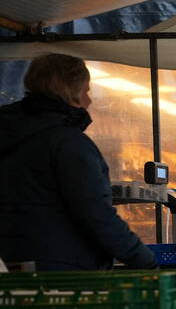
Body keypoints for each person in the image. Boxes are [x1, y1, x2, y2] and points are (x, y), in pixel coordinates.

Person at [0, 53, 155, 270]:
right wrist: (144, 259)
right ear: (70, 91)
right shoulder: (67, 143)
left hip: (13, 263)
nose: (89, 100)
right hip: (63, 272)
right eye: (86, 91)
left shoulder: (11, 132)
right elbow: (96, 214)